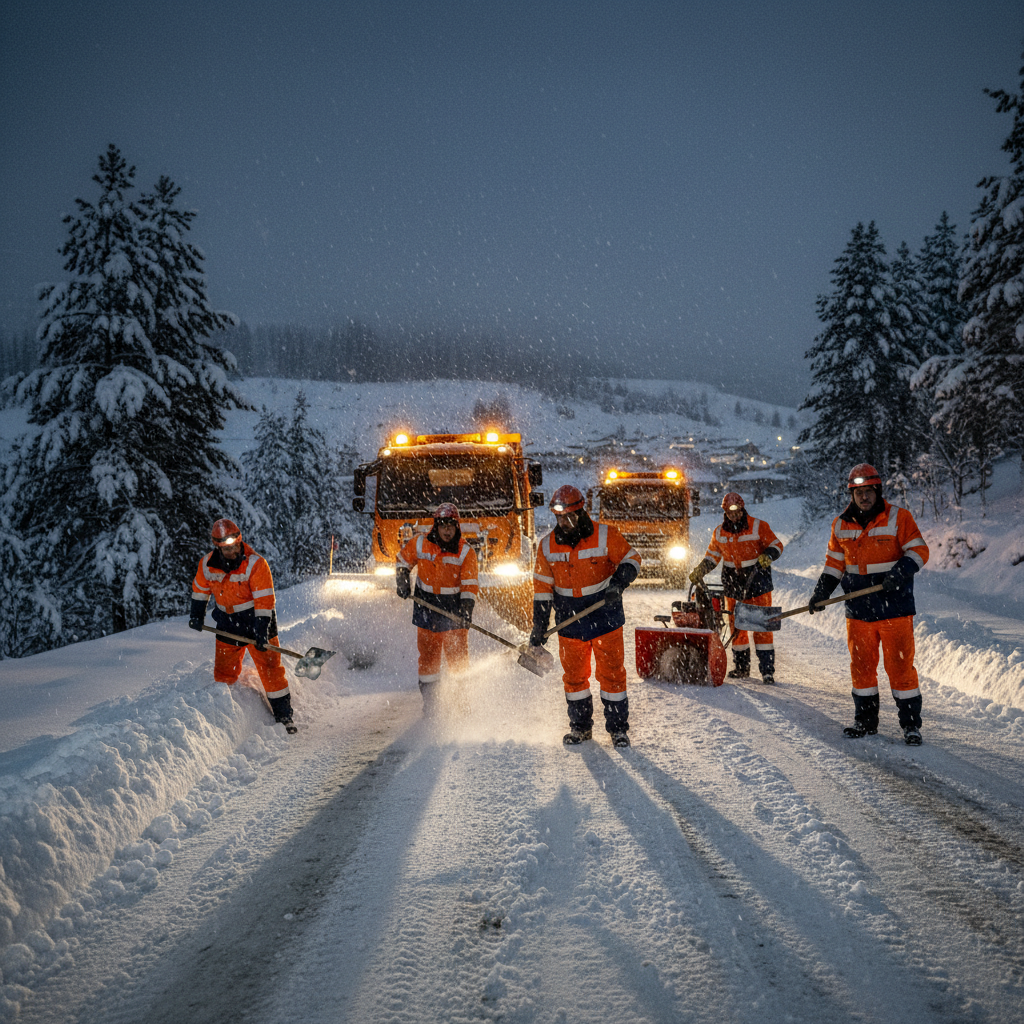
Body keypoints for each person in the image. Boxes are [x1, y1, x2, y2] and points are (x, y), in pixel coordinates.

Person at [807, 463, 930, 745]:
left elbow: (920, 550)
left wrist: (900, 572)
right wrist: (821, 592)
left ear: (878, 491)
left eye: (869, 491)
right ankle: (865, 722)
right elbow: (834, 564)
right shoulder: (840, 524)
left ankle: (911, 725)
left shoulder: (899, 517)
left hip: (894, 608)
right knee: (861, 667)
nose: (864, 497)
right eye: (858, 491)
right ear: (852, 494)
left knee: (900, 669)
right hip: (858, 611)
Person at [530, 484, 642, 747]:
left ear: (581, 512)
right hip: (570, 624)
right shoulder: (546, 546)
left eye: (570, 516)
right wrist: (539, 626)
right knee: (575, 678)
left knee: (612, 675)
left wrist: (618, 584)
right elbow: (542, 591)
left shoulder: (605, 536)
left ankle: (617, 730)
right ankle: (580, 728)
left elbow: (633, 559)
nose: (565, 522)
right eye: (560, 517)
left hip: (605, 617)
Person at [189, 518, 296, 733]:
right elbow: (200, 590)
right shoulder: (206, 565)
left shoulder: (256, 564)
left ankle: (284, 716)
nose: (233, 551)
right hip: (227, 624)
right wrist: (196, 615)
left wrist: (261, 630)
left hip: (258, 620)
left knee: (270, 670)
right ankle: (226, 718)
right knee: (223, 674)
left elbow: (265, 601)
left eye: (236, 545)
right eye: (227, 548)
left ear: (240, 541)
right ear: (217, 547)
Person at [689, 491, 783, 684]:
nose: (734, 516)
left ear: (742, 509)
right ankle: (742, 668)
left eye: (737, 512)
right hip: (733, 584)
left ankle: (767, 671)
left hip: (758, 582)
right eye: (729, 513)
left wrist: (768, 555)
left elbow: (777, 545)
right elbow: (712, 556)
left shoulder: (758, 526)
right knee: (736, 627)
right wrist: (700, 570)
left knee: (762, 627)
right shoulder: (719, 533)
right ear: (724, 512)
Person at [395, 502, 479, 715]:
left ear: (457, 527)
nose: (447, 530)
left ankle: (462, 707)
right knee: (428, 660)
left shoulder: (466, 552)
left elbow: (469, 585)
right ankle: (431, 706)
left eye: (451, 525)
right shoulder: (420, 543)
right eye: (443, 525)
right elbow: (402, 560)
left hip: (453, 613)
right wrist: (402, 579)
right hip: (426, 609)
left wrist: (466, 610)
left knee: (458, 659)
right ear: (436, 526)